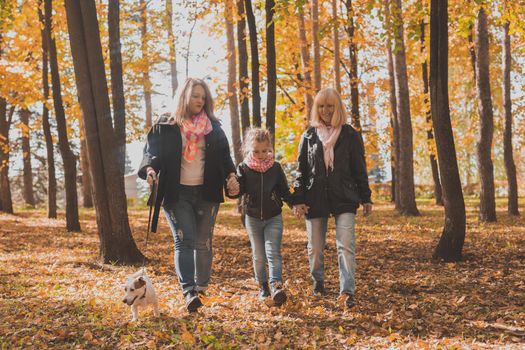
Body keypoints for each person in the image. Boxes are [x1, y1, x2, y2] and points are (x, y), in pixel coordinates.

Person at [138, 78, 240, 313]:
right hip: (176, 193)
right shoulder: (166, 124)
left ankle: (201, 287)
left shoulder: (214, 127)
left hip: (207, 192)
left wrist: (232, 177)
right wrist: (150, 169)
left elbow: (225, 159)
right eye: (195, 96)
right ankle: (189, 291)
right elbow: (151, 152)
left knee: (203, 242)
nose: (200, 100)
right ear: (184, 96)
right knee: (185, 239)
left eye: (203, 97)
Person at [292, 87, 372, 309]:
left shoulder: (349, 134)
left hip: (344, 196)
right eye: (321, 106)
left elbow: (359, 168)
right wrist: (298, 198)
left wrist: (366, 197)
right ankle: (318, 281)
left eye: (330, 106)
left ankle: (347, 290)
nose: (325, 110)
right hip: (314, 197)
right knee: (315, 247)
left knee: (345, 244)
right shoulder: (308, 136)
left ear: (338, 108)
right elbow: (301, 171)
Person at [228, 128, 291, 306]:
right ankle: (263, 286)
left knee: (273, 253)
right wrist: (232, 189)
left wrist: (295, 204)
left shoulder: (276, 168)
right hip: (253, 217)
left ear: (269, 148)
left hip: (274, 216)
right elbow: (237, 191)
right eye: (256, 151)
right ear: (249, 149)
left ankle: (277, 286)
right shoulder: (243, 168)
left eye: (264, 150)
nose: (261, 155)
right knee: (259, 255)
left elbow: (285, 191)